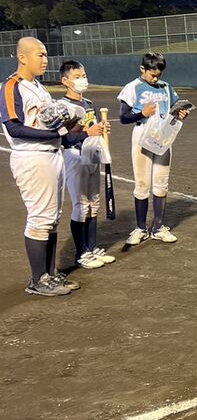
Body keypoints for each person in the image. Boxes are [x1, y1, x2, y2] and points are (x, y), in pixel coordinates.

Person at [0, 37, 78, 296]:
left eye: (45, 55)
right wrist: (54, 134)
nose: (45, 60)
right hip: (32, 157)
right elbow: (14, 128)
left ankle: (50, 274)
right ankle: (38, 280)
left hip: (51, 155)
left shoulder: (39, 88)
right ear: (22, 57)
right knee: (40, 218)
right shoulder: (12, 86)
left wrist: (70, 125)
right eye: (40, 54)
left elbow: (49, 123)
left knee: (52, 218)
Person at [118, 52, 190, 246]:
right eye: (152, 75)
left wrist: (180, 113)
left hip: (163, 136)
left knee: (161, 183)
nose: (156, 78)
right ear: (142, 69)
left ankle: (158, 228)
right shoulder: (132, 87)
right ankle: (140, 228)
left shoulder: (166, 87)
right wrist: (142, 113)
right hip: (142, 135)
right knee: (142, 184)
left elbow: (173, 110)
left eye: (159, 75)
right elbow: (123, 117)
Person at [59, 60, 116, 269]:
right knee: (81, 205)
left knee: (94, 203)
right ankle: (81, 253)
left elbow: (92, 128)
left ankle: (91, 248)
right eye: (77, 77)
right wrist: (87, 132)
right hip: (74, 156)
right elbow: (63, 138)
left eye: (83, 76)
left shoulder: (89, 103)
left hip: (91, 154)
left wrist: (100, 129)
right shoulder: (61, 107)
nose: (82, 80)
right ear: (65, 81)